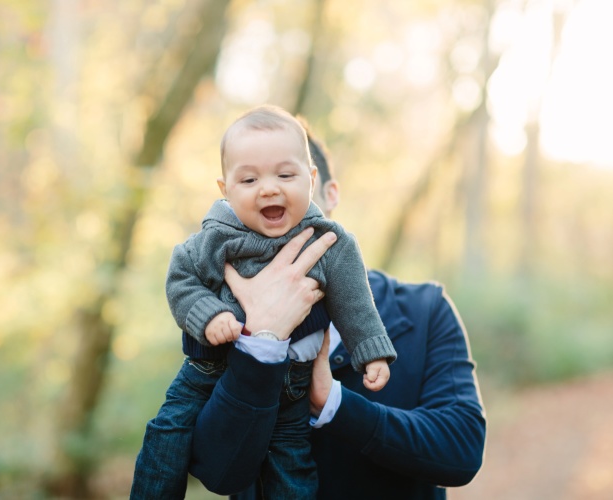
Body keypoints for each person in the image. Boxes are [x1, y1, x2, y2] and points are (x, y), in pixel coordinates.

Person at [188, 127, 487, 499]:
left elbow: (461, 450)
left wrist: (336, 405)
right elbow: (216, 472)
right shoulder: (219, 319)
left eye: (289, 180)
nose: (274, 201)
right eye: (252, 184)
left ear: (327, 193)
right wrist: (260, 342)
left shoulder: (425, 310)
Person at [130, 105, 396, 498]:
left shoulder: (329, 242)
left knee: (291, 462)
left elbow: (355, 301)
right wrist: (209, 315)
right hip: (208, 369)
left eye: (285, 175)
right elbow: (181, 281)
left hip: (295, 381)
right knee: (167, 432)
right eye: (249, 179)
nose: (268, 188)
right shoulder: (216, 238)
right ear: (226, 190)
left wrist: (370, 350)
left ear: (312, 178)